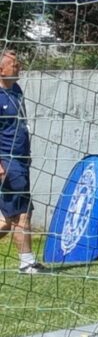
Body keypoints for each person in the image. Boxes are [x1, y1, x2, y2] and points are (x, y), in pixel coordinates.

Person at [0, 50, 42, 274]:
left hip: (21, 161)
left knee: (9, 218)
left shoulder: (15, 90)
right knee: (20, 214)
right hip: (8, 162)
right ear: (1, 70)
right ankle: (26, 263)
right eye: (14, 65)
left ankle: (28, 261)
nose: (19, 67)